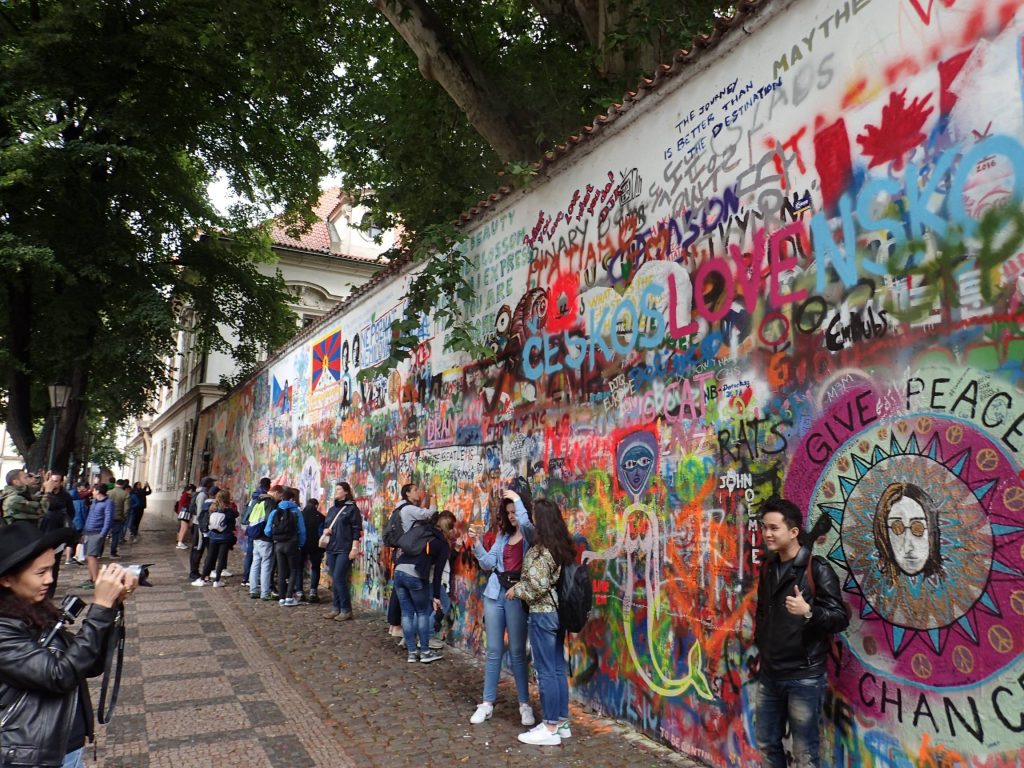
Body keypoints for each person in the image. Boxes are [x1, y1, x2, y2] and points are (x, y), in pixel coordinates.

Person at [0, 521, 138, 768]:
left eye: (51, 569)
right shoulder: (3, 627)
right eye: (40, 573)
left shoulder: (34, 611)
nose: (50, 579)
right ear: (7, 579)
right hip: (29, 755)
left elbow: (86, 664)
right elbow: (59, 675)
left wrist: (112, 606)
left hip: (62, 745)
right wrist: (100, 609)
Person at [754, 497, 849, 768]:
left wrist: (809, 612)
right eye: (764, 528)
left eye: (774, 528)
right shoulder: (769, 567)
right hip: (770, 674)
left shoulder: (816, 569)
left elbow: (839, 618)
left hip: (804, 678)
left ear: (794, 532)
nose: (767, 534)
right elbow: (763, 612)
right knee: (767, 745)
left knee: (805, 755)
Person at [507, 498, 575, 746]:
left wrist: (518, 590)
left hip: (543, 613)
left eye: (535, 516)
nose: (531, 520)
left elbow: (538, 584)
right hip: (556, 614)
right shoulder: (559, 545)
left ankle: (550, 727)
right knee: (557, 669)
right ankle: (561, 721)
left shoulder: (542, 549)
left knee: (546, 672)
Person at [469, 489, 535, 727]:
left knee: (518, 653)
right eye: (508, 513)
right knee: (493, 651)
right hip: (494, 594)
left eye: (514, 511)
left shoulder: (529, 535)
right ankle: (486, 703)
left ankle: (524, 704)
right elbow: (488, 563)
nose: (512, 516)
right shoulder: (502, 537)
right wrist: (476, 543)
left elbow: (526, 522)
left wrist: (517, 500)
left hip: (517, 596)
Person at [392, 510, 448, 664]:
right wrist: (436, 596)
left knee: (407, 614)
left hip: (399, 571)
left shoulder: (421, 531)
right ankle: (424, 652)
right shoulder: (442, 543)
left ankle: (411, 653)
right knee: (422, 613)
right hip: (415, 575)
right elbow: (437, 574)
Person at [386, 483, 436, 637]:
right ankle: (396, 625)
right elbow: (430, 513)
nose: (419, 492)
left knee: (399, 589)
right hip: (407, 551)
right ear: (407, 494)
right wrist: (433, 497)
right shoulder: (408, 509)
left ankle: (395, 624)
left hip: (402, 550)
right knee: (401, 591)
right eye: (415, 490)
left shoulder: (402, 508)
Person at [322, 482, 363, 620]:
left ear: (346, 492)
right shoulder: (332, 509)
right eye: (336, 489)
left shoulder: (352, 509)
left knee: (339, 577)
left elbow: (356, 530)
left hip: (345, 548)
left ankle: (346, 609)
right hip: (332, 548)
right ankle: (336, 608)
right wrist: (326, 531)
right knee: (335, 578)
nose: (336, 491)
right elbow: (327, 525)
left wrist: (354, 548)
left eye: (339, 489)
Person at [264, 488, 306, 606]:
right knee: (293, 570)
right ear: (292, 499)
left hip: (278, 545)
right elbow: (302, 531)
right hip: (292, 544)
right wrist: (301, 544)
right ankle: (289, 598)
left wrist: (275, 537)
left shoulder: (275, 511)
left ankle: (281, 598)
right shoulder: (296, 512)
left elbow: (267, 530)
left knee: (281, 572)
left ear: (282, 498)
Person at [39, 475, 75, 599]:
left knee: (53, 565)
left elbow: (71, 513)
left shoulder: (65, 497)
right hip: (41, 535)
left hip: (57, 536)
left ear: (61, 483)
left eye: (56, 481)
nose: (53, 483)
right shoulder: (41, 495)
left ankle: (49, 594)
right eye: (51, 480)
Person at [247, 485, 283, 601]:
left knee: (255, 563)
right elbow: (269, 520)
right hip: (265, 538)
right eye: (280, 496)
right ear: (276, 493)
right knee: (266, 565)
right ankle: (265, 593)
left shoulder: (258, 501)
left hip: (255, 536)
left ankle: (253, 590)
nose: (280, 499)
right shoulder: (270, 503)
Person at [197, 490, 238, 587]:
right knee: (221, 558)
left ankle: (203, 578)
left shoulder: (212, 508)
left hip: (213, 536)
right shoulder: (229, 511)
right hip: (225, 537)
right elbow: (235, 516)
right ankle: (217, 580)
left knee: (210, 557)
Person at [79, 484, 113, 591]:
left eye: (93, 490)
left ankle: (96, 580)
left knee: (92, 556)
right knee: (88, 556)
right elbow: (89, 517)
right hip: (88, 531)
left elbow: (108, 520)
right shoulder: (94, 502)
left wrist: (102, 534)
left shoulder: (108, 503)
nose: (92, 492)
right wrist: (84, 531)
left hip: (97, 532)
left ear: (98, 491)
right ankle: (91, 578)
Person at [240, 477, 271, 588]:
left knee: (251, 554)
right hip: (259, 529)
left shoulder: (254, 496)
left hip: (251, 527)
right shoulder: (265, 498)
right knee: (258, 557)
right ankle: (252, 579)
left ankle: (246, 578)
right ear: (269, 486)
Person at [187, 478, 215, 582]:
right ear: (207, 484)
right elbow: (200, 513)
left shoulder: (200, 493)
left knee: (198, 548)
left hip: (199, 524)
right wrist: (204, 527)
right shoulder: (202, 495)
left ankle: (196, 571)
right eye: (212, 483)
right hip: (199, 526)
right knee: (197, 548)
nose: (213, 484)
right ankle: (193, 572)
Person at [297, 497, 324, 603]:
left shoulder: (300, 515)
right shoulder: (321, 517)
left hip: (301, 545)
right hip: (316, 546)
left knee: (299, 568)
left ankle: (299, 592)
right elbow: (321, 532)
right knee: (315, 568)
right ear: (316, 506)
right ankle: (313, 592)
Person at [174, 484, 195, 550]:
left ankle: (180, 542)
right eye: (193, 490)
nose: (193, 492)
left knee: (182, 528)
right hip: (185, 514)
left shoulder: (184, 495)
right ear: (190, 490)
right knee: (184, 528)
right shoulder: (186, 495)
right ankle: (180, 543)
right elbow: (185, 504)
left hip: (182, 513)